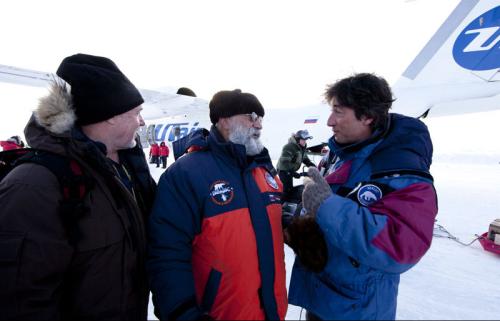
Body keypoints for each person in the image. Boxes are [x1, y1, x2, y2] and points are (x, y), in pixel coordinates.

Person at [0, 53, 156, 320]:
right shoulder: (33, 185)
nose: (142, 122)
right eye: (136, 113)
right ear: (110, 116)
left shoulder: (125, 169)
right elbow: (22, 301)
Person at [285, 73, 438, 320]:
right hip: (322, 296)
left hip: (357, 308)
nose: (330, 121)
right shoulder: (337, 154)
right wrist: (298, 225)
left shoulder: (400, 170)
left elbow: (401, 247)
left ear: (368, 116)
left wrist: (327, 206)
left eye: (339, 112)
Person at [148, 89, 288, 320]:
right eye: (251, 116)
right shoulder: (186, 174)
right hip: (219, 313)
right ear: (224, 120)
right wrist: (182, 312)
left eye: (261, 118)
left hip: (271, 311)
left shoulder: (264, 170)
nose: (259, 124)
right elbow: (166, 253)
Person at [276, 129, 315, 202]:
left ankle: (287, 204)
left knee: (289, 189)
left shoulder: (301, 147)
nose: (305, 142)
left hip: (290, 169)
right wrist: (291, 173)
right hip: (283, 170)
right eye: (303, 140)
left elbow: (304, 158)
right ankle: (279, 206)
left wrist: (311, 165)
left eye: (306, 140)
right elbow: (284, 162)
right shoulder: (289, 147)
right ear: (298, 139)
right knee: (286, 190)